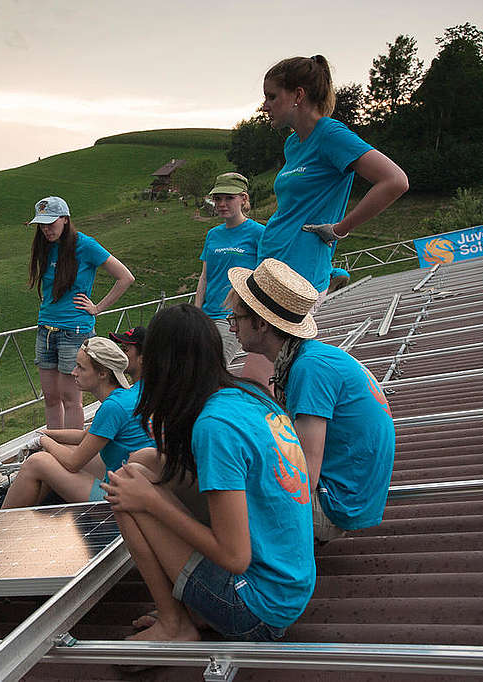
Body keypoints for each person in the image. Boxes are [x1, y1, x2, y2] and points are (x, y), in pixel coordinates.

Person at [102, 304, 315, 642]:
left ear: (162, 365)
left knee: (127, 489)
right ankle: (189, 609)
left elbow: (234, 556)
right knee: (144, 461)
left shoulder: (214, 427)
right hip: (288, 585)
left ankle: (175, 625)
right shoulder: (248, 394)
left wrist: (152, 503)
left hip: (256, 612)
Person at [226, 258, 395, 543]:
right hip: (350, 492)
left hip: (335, 506)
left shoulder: (309, 370)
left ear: (261, 323)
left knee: (214, 482)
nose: (232, 328)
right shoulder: (311, 358)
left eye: (236, 319)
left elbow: (304, 477)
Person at [259, 55, 408, 300]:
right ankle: (334, 275)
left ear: (298, 95)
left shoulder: (331, 134)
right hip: (275, 261)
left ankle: (329, 277)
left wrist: (341, 229)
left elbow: (395, 181)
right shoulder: (293, 143)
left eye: (272, 96)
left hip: (303, 272)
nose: (265, 106)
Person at [0, 337, 154, 511]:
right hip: (135, 487)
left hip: (120, 500)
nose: (73, 372)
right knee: (59, 452)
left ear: (102, 373)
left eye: (81, 367)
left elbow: (73, 463)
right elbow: (86, 436)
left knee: (39, 461)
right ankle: (5, 498)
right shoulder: (126, 396)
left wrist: (44, 442)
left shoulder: (113, 407)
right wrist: (46, 434)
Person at [28, 196, 135, 430]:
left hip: (74, 331)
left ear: (65, 220)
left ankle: (73, 454)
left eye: (51, 223)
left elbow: (125, 277)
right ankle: (54, 449)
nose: (46, 229)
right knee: (50, 397)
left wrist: (97, 308)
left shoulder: (85, 245)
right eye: (42, 224)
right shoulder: (45, 246)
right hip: (45, 329)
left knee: (70, 398)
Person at [193, 172, 275, 388]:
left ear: (243, 199)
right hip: (207, 315)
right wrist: (196, 311)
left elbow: (265, 276)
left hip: (233, 317)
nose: (222, 204)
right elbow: (205, 276)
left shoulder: (259, 233)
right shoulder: (213, 235)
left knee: (212, 370)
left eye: (229, 198)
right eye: (218, 198)